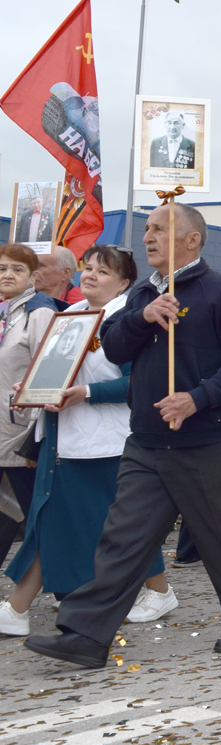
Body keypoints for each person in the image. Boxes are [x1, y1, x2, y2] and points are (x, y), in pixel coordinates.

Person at [25, 203, 221, 668]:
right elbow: (116, 344)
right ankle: (85, 634)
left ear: (193, 239)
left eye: (160, 229)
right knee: (122, 539)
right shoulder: (143, 293)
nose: (148, 237)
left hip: (206, 440)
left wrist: (197, 399)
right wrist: (143, 317)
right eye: (147, 230)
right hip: (145, 443)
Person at [0, 246, 178, 636]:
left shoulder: (128, 321)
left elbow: (139, 382)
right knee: (70, 521)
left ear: (125, 283)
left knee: (107, 525)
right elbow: (51, 371)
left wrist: (87, 393)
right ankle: (18, 607)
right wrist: (30, 386)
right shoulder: (68, 315)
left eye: (104, 271)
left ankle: (18, 606)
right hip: (61, 434)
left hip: (106, 441)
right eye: (89, 267)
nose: (92, 275)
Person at [0, 244, 58, 569]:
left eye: (17, 269)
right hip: (2, 432)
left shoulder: (39, 313)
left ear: (33, 276)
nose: (7, 274)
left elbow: (49, 373)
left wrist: (38, 432)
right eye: (2, 268)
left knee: (39, 517)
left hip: (21, 437)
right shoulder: (5, 312)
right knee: (8, 511)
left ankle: (71, 591)